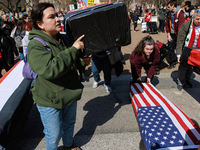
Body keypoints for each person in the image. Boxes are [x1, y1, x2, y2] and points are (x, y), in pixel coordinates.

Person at [27, 3, 91, 150]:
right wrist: (73, 49)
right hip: (49, 98)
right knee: (53, 134)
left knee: (69, 124)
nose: (58, 19)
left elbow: (68, 63)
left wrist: (82, 63)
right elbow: (51, 69)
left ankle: (68, 146)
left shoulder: (61, 38)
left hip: (68, 92)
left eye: (57, 15)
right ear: (40, 24)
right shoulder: (35, 45)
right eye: (52, 17)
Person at [176, 9, 200, 91]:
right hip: (186, 49)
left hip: (197, 50)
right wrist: (179, 54)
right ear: (193, 18)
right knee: (183, 66)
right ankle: (180, 82)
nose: (199, 21)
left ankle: (187, 80)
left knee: (191, 67)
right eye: (197, 19)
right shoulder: (186, 25)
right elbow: (180, 41)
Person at [165, 0, 185, 69]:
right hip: (171, 34)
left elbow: (180, 26)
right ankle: (173, 61)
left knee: (180, 48)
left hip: (179, 34)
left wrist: (179, 37)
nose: (168, 8)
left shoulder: (180, 13)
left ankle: (182, 61)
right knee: (170, 48)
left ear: (173, 5)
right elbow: (167, 24)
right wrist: (168, 34)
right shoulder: (169, 14)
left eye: (169, 7)